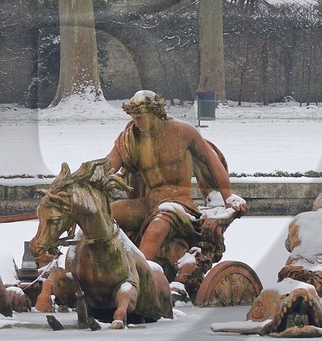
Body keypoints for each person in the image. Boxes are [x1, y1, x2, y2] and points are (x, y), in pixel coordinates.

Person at [105, 90, 247, 274]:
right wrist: (85, 180)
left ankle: (141, 279)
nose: (137, 123)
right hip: (148, 202)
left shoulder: (183, 132)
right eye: (134, 118)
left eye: (141, 118)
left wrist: (228, 196)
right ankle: (108, 272)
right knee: (106, 214)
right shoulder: (130, 138)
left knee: (157, 228)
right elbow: (107, 165)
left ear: (155, 113)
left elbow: (211, 162)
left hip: (179, 203)